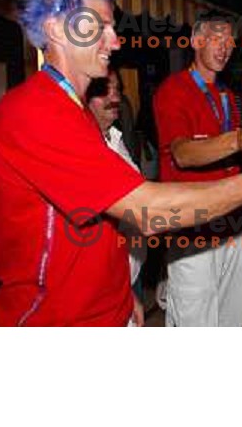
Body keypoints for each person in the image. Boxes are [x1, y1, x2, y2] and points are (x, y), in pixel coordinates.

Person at [0, 0, 242, 326]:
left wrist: (124, 296)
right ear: (56, 28)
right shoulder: (34, 111)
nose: (116, 41)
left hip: (108, 309)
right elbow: (147, 210)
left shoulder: (77, 111)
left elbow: (105, 221)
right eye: (101, 26)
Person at [153, 12, 242, 326]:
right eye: (217, 38)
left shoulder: (226, 95)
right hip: (192, 232)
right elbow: (181, 153)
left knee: (229, 321)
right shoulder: (174, 90)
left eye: (230, 42)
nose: (225, 47)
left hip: (231, 228)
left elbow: (233, 168)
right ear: (197, 41)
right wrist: (237, 139)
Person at [86, 68, 146, 326]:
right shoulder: (85, 147)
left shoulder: (116, 137)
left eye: (118, 90)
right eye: (105, 90)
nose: (115, 97)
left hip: (128, 276)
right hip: (104, 288)